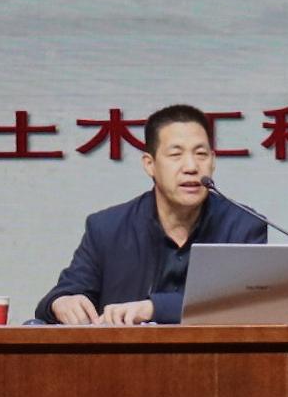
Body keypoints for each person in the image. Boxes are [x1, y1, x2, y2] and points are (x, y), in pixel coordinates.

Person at [35, 104, 268, 325]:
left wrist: (154, 308)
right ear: (149, 164)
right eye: (175, 155)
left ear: (213, 161)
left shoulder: (243, 225)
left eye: (201, 154)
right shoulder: (107, 228)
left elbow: (247, 302)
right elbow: (64, 292)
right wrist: (61, 302)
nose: (191, 167)